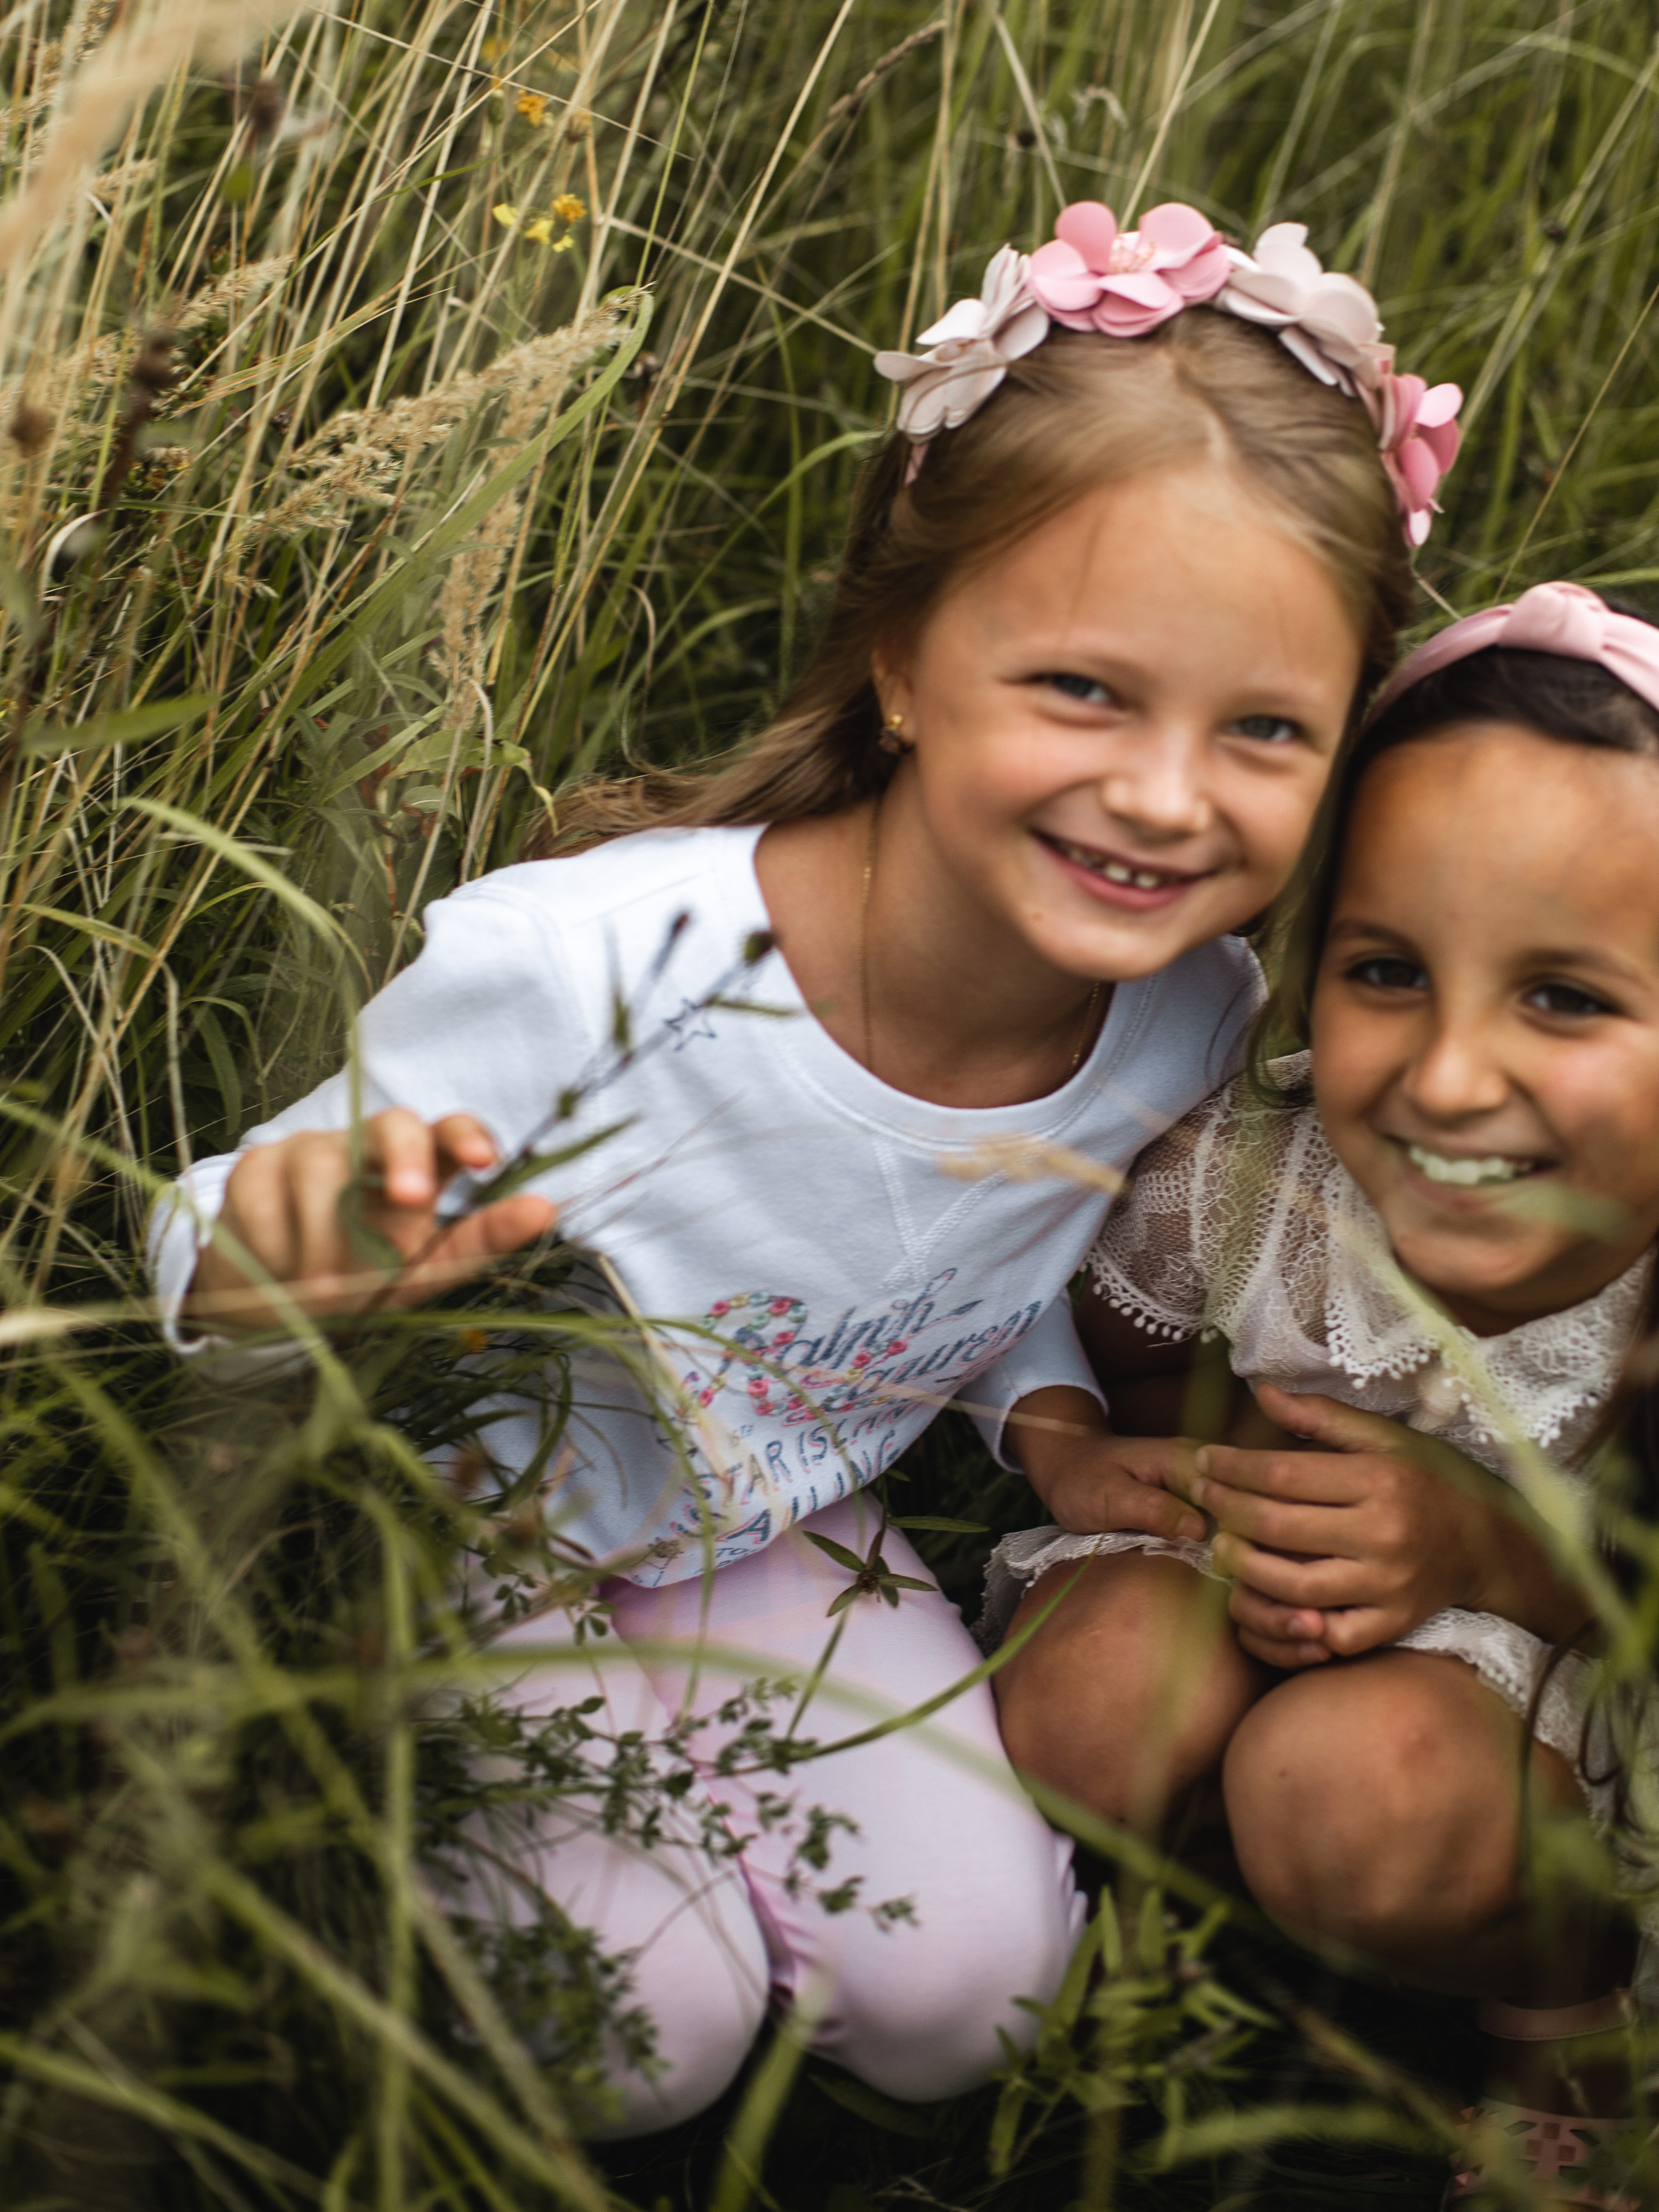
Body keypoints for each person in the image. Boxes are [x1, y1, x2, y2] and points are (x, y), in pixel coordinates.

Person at [149, 202, 1440, 2134]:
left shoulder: (1187, 1005)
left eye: (1262, 728)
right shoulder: (605, 967)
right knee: (637, 2033)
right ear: (906, 659)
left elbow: (988, 1237)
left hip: (772, 1530)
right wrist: (293, 1245)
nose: (1169, 795)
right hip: (472, 1532)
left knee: (969, 2006)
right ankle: (340, 1889)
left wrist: (1058, 1429)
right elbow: (199, 1253)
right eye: (1085, 689)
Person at [989, 582, 1659, 2206]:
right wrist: (1189, 1497)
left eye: (1562, 997)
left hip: (1561, 1675)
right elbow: (1131, 1364)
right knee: (1085, 1698)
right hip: (1287, 1600)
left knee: (1353, 1796)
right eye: (1382, 971)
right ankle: (1167, 1918)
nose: (1441, 1077)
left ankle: (1562, 2005)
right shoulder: (1247, 1185)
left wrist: (1478, 1552)